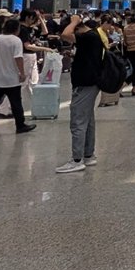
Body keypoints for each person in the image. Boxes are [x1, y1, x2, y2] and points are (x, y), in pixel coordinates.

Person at [55, 12, 106, 173]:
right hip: (89, 83)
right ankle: (88, 155)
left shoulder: (89, 36)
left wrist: (74, 21)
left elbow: (65, 35)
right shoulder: (92, 37)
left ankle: (77, 160)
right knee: (87, 121)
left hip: (85, 84)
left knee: (78, 121)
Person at [0, 18, 35, 138]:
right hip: (11, 78)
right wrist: (22, 73)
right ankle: (20, 125)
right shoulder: (16, 40)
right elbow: (18, 58)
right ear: (17, 29)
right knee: (16, 103)